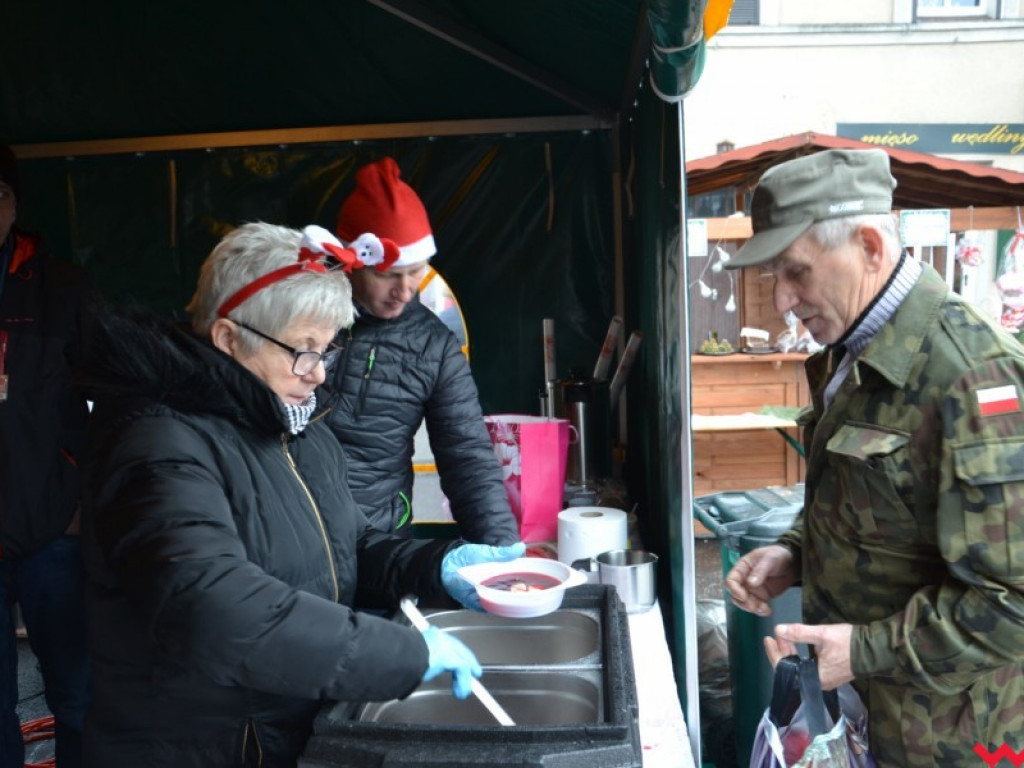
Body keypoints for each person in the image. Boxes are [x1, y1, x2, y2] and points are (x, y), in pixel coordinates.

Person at [77, 222, 524, 766]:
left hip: (284, 727)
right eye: (303, 350)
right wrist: (402, 653)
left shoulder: (297, 431)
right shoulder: (157, 443)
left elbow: (349, 548)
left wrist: (440, 566)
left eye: (326, 351)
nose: (317, 374)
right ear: (227, 338)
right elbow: (211, 605)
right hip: (197, 746)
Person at [723, 148, 1024, 766]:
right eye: (773, 275)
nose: (781, 298)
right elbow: (878, 500)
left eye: (796, 272)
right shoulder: (851, 351)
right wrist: (795, 551)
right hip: (866, 722)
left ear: (869, 245)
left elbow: (1011, 599)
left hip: (946, 740)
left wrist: (863, 651)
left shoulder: (973, 374)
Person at [324, 157, 519, 545]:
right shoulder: (297, 320)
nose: (405, 289)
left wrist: (501, 554)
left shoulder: (434, 346)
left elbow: (468, 458)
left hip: (376, 543)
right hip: (289, 533)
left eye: (416, 271)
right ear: (351, 262)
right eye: (388, 275)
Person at [0, 140, 93, 768]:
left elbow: (112, 400)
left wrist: (82, 504)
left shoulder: (61, 287)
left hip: (52, 531)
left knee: (79, 693)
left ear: (11, 202)